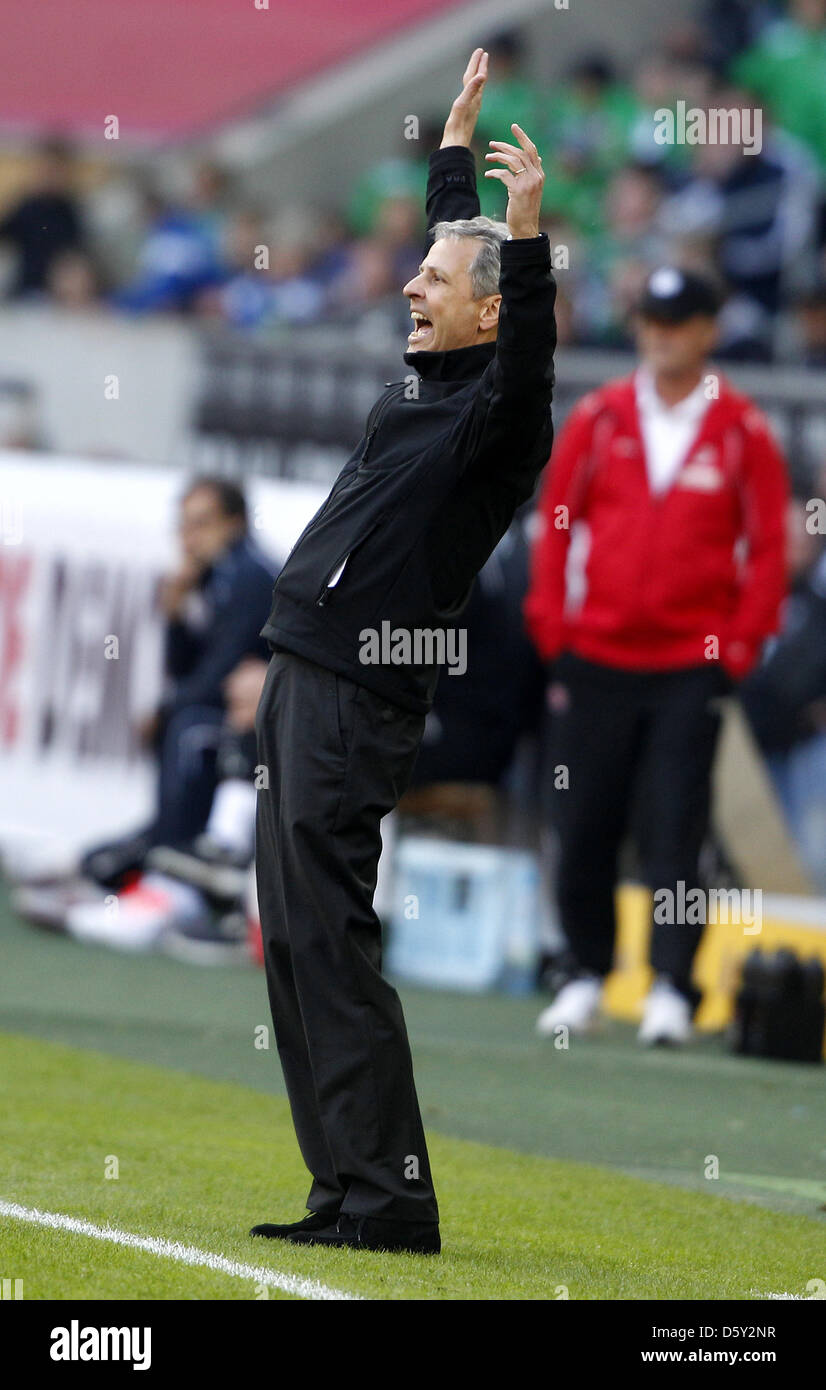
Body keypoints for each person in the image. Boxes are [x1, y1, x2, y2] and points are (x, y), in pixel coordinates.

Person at [251, 48, 556, 1255]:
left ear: (490, 305)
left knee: (333, 941)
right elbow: (455, 253)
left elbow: (522, 347)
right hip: (299, 671)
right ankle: (342, 1190)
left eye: (437, 280)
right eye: (422, 272)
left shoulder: (495, 418)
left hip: (354, 692)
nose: (411, 290)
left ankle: (389, 1200)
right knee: (296, 948)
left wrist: (525, 242)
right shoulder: (430, 382)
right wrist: (452, 151)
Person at [524, 265, 788, 1045]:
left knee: (677, 825)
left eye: (678, 322)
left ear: (708, 330)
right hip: (595, 654)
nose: (662, 335)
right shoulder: (600, 419)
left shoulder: (743, 430)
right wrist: (552, 626)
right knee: (583, 820)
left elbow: (769, 548)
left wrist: (737, 646)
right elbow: (557, 520)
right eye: (651, 320)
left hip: (688, 664)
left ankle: (673, 983)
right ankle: (582, 970)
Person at [80, 477, 277, 889]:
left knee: (187, 724)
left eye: (201, 524)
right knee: (182, 716)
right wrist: (175, 613)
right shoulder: (211, 576)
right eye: (184, 525)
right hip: (228, 713)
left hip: (261, 725)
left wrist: (166, 709)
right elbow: (185, 669)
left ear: (234, 522)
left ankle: (176, 852)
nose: (189, 538)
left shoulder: (250, 576)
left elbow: (221, 673)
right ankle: (163, 849)